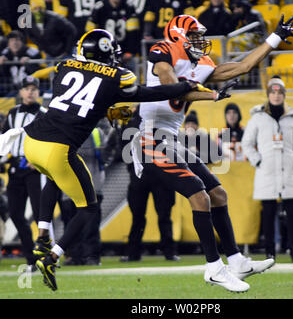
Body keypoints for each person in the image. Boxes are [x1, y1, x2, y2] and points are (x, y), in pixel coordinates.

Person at [18, 28, 215, 291]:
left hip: (31, 142)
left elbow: (78, 99)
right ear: (104, 52)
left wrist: (105, 107)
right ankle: (51, 256)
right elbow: (146, 94)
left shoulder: (65, 66)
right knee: (88, 208)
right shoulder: (116, 77)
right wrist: (184, 86)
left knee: (54, 178)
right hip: (58, 149)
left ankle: (42, 233)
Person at [134, 14, 293, 292]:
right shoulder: (163, 50)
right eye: (196, 35)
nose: (201, 41)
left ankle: (236, 260)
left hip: (172, 138)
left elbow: (243, 66)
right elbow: (174, 88)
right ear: (178, 35)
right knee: (198, 195)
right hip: (150, 138)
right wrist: (210, 94)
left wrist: (276, 38)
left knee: (218, 194)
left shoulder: (201, 63)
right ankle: (213, 267)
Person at [241, 77, 293, 265]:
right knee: (268, 215)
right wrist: (258, 160)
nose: (276, 96)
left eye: (280, 93)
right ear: (268, 94)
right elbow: (247, 143)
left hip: (289, 171)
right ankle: (270, 256)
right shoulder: (258, 117)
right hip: (267, 171)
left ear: (284, 95)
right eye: (273, 93)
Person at [121, 106, 180, 262]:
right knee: (154, 216)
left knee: (148, 216)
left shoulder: (132, 122)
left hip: (147, 175)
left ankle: (135, 253)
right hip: (154, 175)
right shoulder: (161, 120)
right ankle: (168, 252)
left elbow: (124, 148)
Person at [1, 76, 45, 271]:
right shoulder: (12, 113)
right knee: (16, 214)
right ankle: (30, 259)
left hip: (36, 170)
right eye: (26, 89)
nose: (30, 92)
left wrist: (41, 162)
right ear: (20, 92)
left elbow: (50, 141)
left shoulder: (44, 114)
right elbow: (3, 139)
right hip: (15, 168)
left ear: (38, 92)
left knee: (40, 214)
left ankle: (46, 256)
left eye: (33, 89)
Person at [60, 126, 106, 266]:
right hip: (70, 185)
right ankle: (75, 256)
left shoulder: (96, 132)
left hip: (91, 184)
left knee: (90, 223)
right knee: (71, 222)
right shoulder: (65, 130)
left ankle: (91, 256)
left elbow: (104, 157)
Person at [86, 0, 140, 69]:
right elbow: (90, 32)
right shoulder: (99, 7)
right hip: (103, 50)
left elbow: (133, 32)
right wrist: (95, 51)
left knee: (130, 75)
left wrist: (130, 51)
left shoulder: (129, 6)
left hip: (124, 50)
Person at [0, 31, 42, 96]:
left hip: (31, 87)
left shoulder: (32, 52)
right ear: (8, 44)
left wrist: (29, 63)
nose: (15, 43)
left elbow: (40, 70)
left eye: (17, 40)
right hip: (12, 88)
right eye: (12, 40)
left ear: (22, 42)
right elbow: (4, 74)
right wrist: (2, 64)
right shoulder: (5, 53)